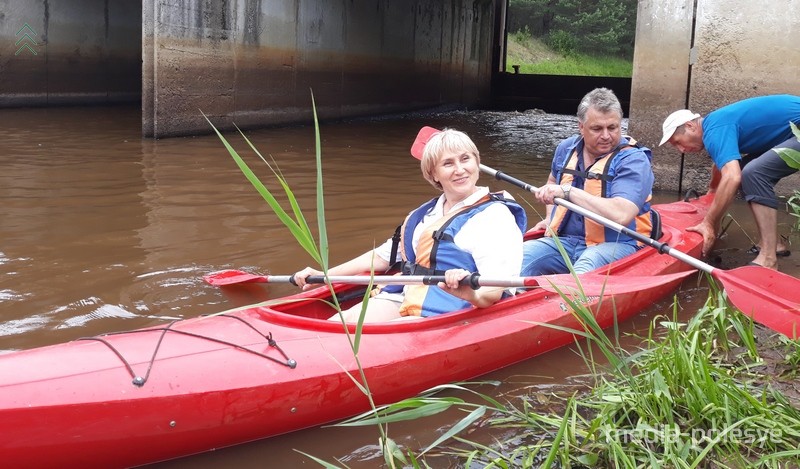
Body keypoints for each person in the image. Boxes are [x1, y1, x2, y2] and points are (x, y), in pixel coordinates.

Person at [293, 128, 527, 322]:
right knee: (337, 326)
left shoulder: (495, 217)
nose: (460, 169)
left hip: (457, 306)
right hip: (407, 295)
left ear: (477, 163)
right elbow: (383, 257)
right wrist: (324, 275)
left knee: (377, 340)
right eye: (448, 163)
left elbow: (494, 289)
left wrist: (469, 293)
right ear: (434, 174)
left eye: (465, 159)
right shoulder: (425, 213)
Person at [521, 87, 655, 276]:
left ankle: (569, 300)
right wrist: (551, 219)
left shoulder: (633, 160)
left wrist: (568, 192)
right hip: (566, 242)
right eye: (597, 129)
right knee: (518, 258)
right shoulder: (566, 148)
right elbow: (553, 181)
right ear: (581, 127)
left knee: (587, 264)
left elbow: (622, 214)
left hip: (617, 243)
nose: (606, 136)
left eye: (613, 127)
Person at [660, 94, 800, 270]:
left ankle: (768, 259)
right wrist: (712, 192)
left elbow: (732, 177)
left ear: (690, 126)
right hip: (792, 133)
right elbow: (722, 165)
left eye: (678, 142)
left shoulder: (714, 129)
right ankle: (774, 244)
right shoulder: (715, 124)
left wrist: (709, 223)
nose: (681, 149)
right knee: (747, 171)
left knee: (753, 174)